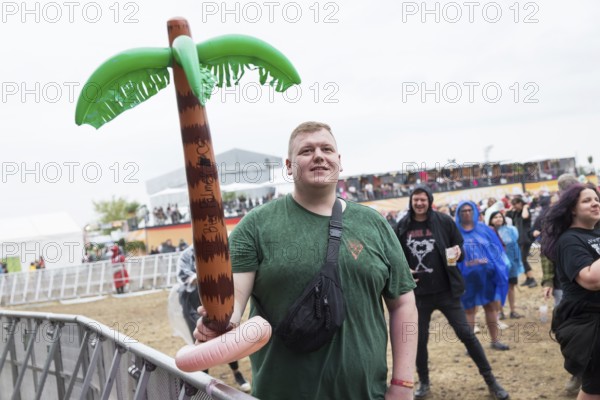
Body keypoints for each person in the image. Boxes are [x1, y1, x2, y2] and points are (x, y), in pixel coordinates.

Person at [195, 121, 418, 400]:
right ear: (289, 166)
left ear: (339, 161)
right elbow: (235, 300)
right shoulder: (256, 225)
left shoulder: (374, 223)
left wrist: (403, 383)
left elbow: (404, 303)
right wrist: (220, 320)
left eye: (327, 149)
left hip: (366, 393)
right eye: (306, 151)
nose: (318, 156)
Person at [396, 185, 509, 400]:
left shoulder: (443, 221)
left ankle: (491, 381)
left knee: (467, 335)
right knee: (419, 341)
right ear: (411, 202)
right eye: (415, 200)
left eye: (423, 199)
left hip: (446, 291)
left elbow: (459, 247)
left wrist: (458, 253)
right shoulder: (403, 226)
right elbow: (394, 254)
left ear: (429, 201)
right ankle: (424, 382)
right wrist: (404, 269)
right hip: (418, 295)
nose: (419, 203)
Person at [541, 183, 600, 399]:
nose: (595, 203)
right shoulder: (569, 240)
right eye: (587, 200)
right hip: (589, 323)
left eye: (596, 199)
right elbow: (592, 279)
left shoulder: (597, 231)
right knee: (594, 388)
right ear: (572, 209)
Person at [176, 245, 251, 392]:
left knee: (224, 333)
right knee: (201, 339)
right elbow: (184, 276)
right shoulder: (187, 255)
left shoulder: (220, 250)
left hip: (217, 298)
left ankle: (237, 373)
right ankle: (202, 380)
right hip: (192, 302)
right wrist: (206, 276)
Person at [455, 202, 510, 351]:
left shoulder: (485, 230)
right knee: (469, 310)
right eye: (463, 211)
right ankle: (470, 346)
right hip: (466, 279)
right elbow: (450, 255)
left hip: (487, 276)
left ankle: (495, 340)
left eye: (469, 210)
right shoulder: (454, 232)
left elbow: (497, 250)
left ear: (474, 212)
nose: (466, 213)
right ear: (458, 214)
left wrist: (491, 263)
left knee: (491, 307)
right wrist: (465, 264)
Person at [488, 211, 525, 319]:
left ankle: (513, 311)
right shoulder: (488, 232)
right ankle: (500, 312)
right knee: (499, 288)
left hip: (511, 263)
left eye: (500, 217)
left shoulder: (511, 230)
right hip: (497, 265)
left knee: (511, 287)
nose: (498, 219)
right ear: (490, 220)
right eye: (495, 217)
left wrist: (517, 262)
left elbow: (515, 246)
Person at [506, 197, 537, 287]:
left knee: (522, 259)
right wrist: (512, 207)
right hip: (518, 239)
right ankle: (528, 278)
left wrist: (525, 207)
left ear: (520, 203)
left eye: (515, 204)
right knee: (520, 259)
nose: (514, 206)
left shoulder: (525, 211)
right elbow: (507, 215)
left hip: (525, 239)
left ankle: (532, 279)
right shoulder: (516, 213)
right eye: (513, 204)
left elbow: (525, 216)